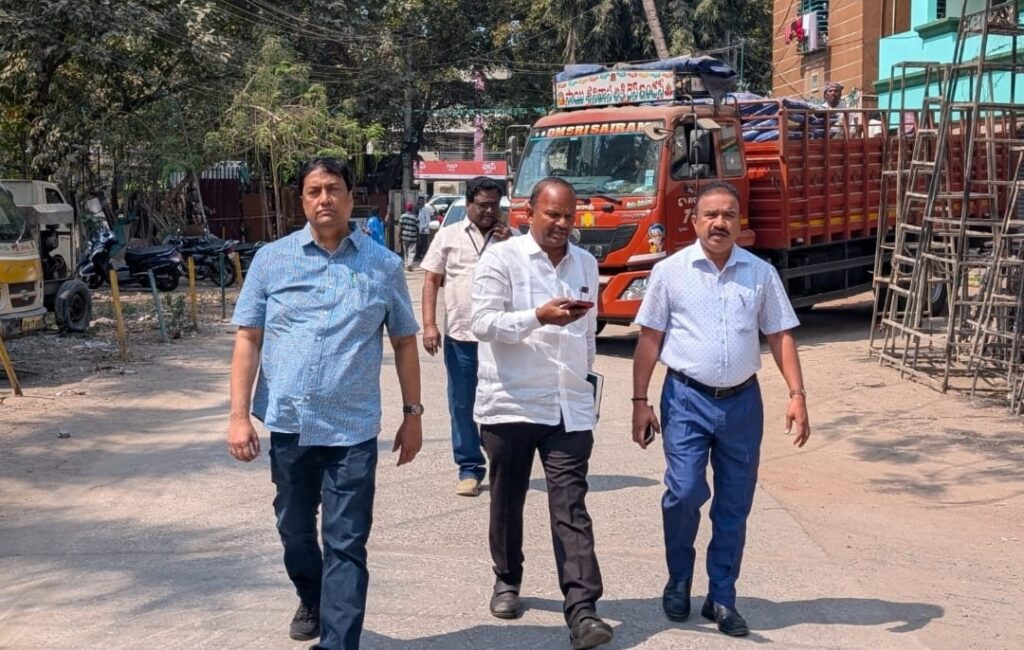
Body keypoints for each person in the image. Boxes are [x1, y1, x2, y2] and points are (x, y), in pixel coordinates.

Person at [227, 157, 424, 650]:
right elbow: (249, 338)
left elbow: (404, 342)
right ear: (302, 201)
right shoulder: (271, 260)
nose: (324, 199)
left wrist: (413, 415)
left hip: (352, 430)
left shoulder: (383, 266)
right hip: (290, 424)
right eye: (314, 191)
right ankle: (312, 597)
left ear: (351, 197)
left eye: (333, 189)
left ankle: (338, 642)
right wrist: (238, 417)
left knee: (347, 541)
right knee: (294, 529)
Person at [630, 180, 811, 638]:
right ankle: (679, 578)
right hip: (685, 399)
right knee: (685, 491)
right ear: (694, 222)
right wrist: (639, 402)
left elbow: (780, 334)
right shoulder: (670, 272)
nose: (719, 223)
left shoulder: (760, 273)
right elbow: (649, 339)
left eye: (729, 214)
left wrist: (797, 395)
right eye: (710, 214)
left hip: (742, 404)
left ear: (739, 222)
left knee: (734, 503)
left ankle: (722, 596)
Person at [471, 177, 613, 650]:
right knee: (507, 499)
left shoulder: (586, 263)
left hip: (567, 406)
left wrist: (585, 387)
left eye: (569, 215)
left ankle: (583, 610)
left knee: (571, 506)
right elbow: (481, 322)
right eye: (553, 214)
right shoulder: (501, 259)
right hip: (511, 402)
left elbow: (588, 335)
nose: (562, 223)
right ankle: (507, 578)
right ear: (528, 213)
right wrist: (538, 317)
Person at [420, 176, 510, 497]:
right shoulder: (449, 236)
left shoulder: (510, 239)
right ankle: (470, 468)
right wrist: (429, 325)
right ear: (469, 203)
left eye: (494, 206)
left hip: (499, 338)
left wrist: (511, 242)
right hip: (461, 336)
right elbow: (431, 281)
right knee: (462, 403)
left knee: (501, 403)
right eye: (483, 205)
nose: (489, 211)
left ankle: (503, 464)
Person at [398, 202, 419, 270]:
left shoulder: (402, 216)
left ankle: (406, 265)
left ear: (406, 208)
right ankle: (409, 264)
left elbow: (400, 227)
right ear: (412, 209)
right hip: (413, 237)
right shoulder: (415, 217)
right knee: (412, 251)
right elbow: (418, 228)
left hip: (404, 237)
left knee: (405, 252)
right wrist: (418, 236)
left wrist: (399, 236)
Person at [416, 196, 432, 261]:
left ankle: (425, 258)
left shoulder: (426, 210)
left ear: (423, 203)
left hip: (424, 231)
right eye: (418, 203)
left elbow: (428, 221)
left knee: (424, 245)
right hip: (420, 231)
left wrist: (423, 228)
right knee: (420, 245)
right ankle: (421, 257)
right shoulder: (420, 210)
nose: (419, 204)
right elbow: (419, 220)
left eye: (420, 203)